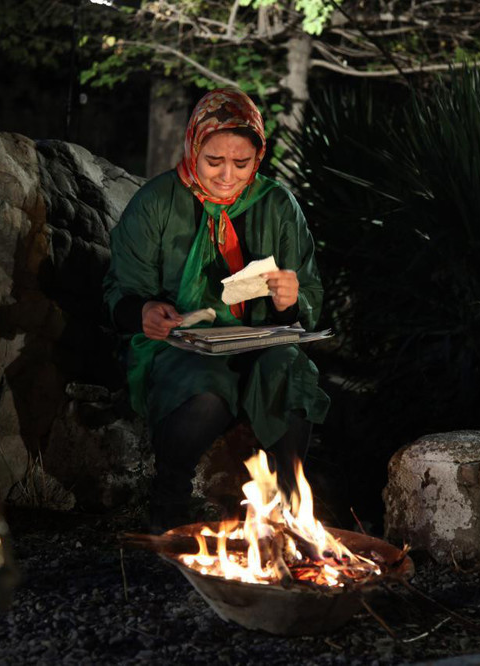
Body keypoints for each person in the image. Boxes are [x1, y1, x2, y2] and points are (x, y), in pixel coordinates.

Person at [103, 88, 330, 529]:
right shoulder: (156, 202)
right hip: (181, 346)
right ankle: (168, 503)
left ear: (258, 157)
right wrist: (144, 311)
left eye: (241, 164)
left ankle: (289, 511)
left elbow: (309, 303)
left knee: (288, 369)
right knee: (205, 392)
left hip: (259, 341)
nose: (227, 176)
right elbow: (119, 291)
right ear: (193, 146)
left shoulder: (279, 206)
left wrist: (289, 300)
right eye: (214, 162)